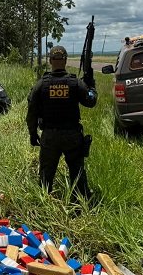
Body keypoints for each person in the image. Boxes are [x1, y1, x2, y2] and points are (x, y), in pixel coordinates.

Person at [26, 45, 97, 200]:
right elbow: (91, 101)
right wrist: (91, 86)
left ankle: (44, 203)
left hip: (49, 136)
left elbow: (31, 113)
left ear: (50, 61)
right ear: (65, 60)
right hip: (72, 136)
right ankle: (80, 204)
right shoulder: (75, 83)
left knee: (46, 175)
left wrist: (33, 134)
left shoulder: (41, 84)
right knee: (77, 172)